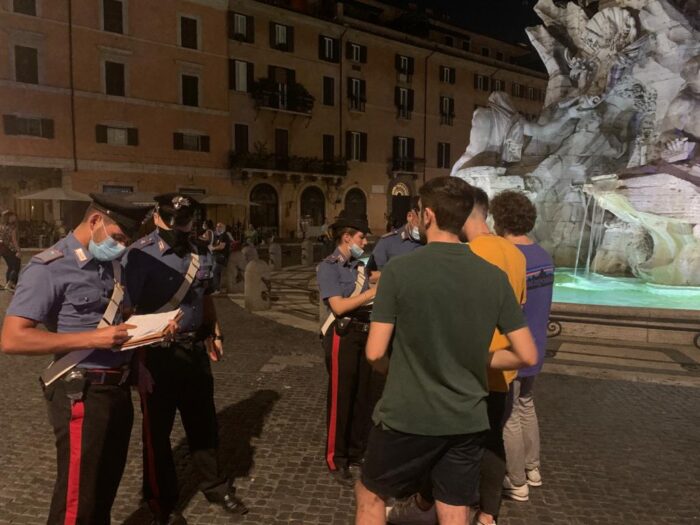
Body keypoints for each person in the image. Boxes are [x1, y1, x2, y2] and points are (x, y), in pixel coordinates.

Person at [355, 176, 537, 525]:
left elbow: (375, 352)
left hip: (407, 414)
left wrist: (395, 371)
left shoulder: (400, 271)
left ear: (427, 216)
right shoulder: (492, 276)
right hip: (467, 417)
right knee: (453, 507)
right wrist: (480, 358)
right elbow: (527, 355)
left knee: (371, 494)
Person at [0, 194, 149, 524]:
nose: (123, 247)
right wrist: (91, 339)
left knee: (103, 489)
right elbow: (12, 338)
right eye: (119, 237)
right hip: (80, 393)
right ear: (95, 221)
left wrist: (143, 349)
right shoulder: (49, 267)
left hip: (117, 388)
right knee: (77, 499)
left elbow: (119, 318)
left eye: (127, 240)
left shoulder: (112, 265)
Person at [125, 193, 247, 524]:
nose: (181, 227)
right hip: (156, 355)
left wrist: (214, 332)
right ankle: (161, 501)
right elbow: (127, 309)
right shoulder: (138, 256)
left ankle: (214, 485)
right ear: (157, 218)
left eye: (187, 221)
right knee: (157, 432)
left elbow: (204, 297)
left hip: (194, 351)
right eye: (175, 221)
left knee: (203, 422)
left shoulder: (201, 252)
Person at [491, 190, 555, 501]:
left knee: (510, 414)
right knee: (527, 406)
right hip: (538, 344)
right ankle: (533, 468)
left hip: (514, 347)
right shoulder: (544, 256)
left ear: (500, 218)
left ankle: (516, 481)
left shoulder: (508, 257)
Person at [316, 210, 381, 487]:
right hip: (341, 334)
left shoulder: (361, 265)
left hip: (364, 332)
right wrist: (370, 293)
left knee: (362, 395)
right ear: (346, 237)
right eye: (361, 237)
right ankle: (337, 457)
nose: (365, 242)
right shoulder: (328, 267)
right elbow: (339, 306)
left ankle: (357, 451)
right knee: (341, 397)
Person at [369, 196, 423, 273]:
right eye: (421, 220)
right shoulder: (387, 243)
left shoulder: (430, 242)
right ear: (410, 216)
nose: (424, 226)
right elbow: (370, 276)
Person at [0, 210, 21, 290]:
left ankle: (8, 284)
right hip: (11, 249)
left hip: (3, 249)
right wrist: (18, 250)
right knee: (16, 266)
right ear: (8, 218)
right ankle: (11, 283)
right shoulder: (13, 227)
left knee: (10, 266)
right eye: (13, 216)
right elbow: (14, 240)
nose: (15, 217)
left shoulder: (1, 226)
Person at [211, 222, 232, 293]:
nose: (217, 228)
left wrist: (212, 248)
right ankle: (217, 289)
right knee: (217, 273)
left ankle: (216, 289)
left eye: (219, 226)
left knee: (215, 271)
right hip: (218, 257)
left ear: (223, 228)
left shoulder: (224, 236)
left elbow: (221, 247)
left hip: (221, 258)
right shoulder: (219, 236)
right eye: (217, 226)